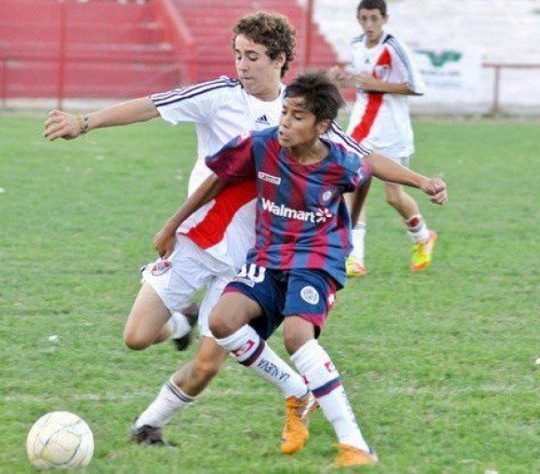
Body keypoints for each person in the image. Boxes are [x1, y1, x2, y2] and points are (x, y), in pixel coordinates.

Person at [43, 11, 371, 455]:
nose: (242, 65)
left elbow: (360, 159)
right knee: (137, 336)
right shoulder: (219, 96)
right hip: (198, 241)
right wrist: (85, 123)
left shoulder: (298, 113)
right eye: (237, 54)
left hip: (250, 258)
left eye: (252, 56)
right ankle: (181, 322)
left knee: (207, 364)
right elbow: (151, 105)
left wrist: (419, 181)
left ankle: (149, 425)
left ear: (279, 59)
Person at [155, 71, 447, 467]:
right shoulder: (262, 145)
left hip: (316, 257)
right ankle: (297, 391)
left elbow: (366, 170)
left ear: (322, 127)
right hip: (269, 255)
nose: (285, 123)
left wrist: (419, 183)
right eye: (284, 113)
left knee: (297, 336)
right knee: (223, 321)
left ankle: (356, 445)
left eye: (296, 117)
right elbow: (217, 180)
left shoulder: (340, 162)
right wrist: (173, 224)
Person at [330, 0, 436, 277]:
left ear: (384, 19)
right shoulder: (355, 44)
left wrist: (379, 86)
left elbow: (417, 87)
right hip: (361, 129)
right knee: (351, 188)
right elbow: (362, 81)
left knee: (394, 196)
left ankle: (422, 237)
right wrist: (343, 79)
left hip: (391, 130)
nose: (368, 25)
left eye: (374, 19)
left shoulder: (394, 46)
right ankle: (355, 257)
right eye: (363, 19)